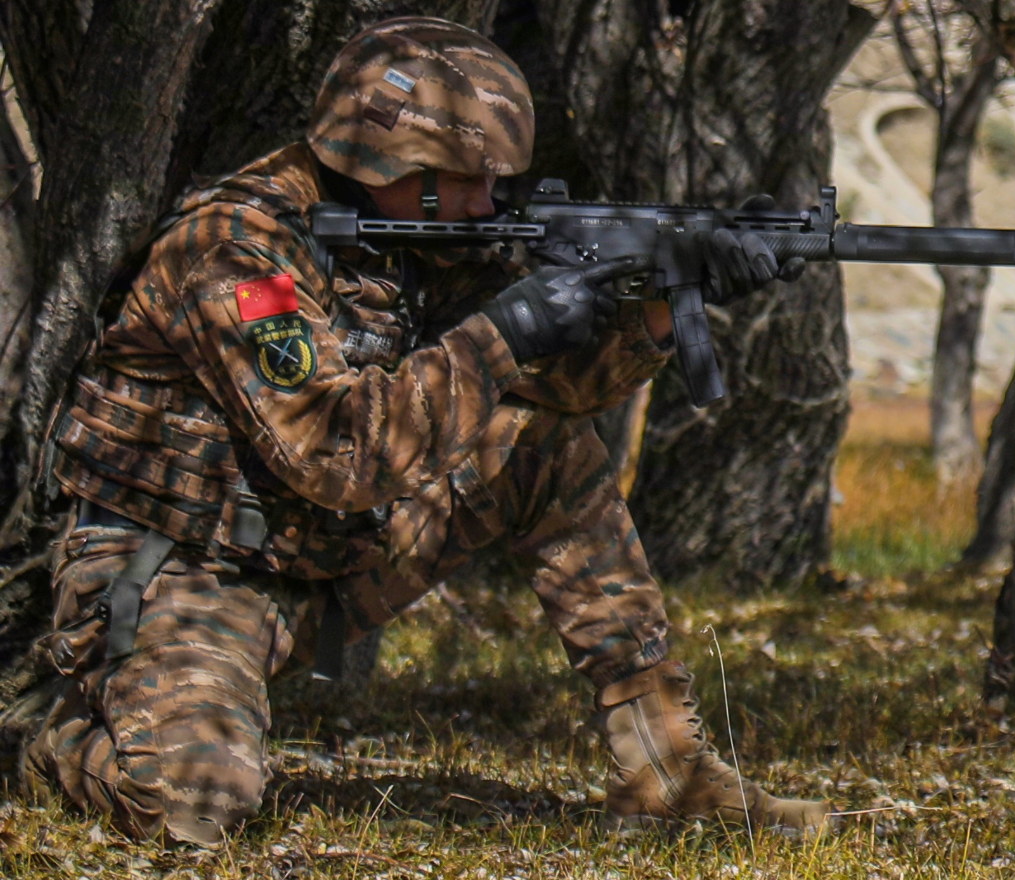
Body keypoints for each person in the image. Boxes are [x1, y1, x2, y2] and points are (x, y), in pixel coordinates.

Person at [22, 16, 828, 846]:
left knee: (540, 445)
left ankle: (669, 769)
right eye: (466, 180)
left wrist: (660, 306)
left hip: (314, 559)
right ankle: (41, 741)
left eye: (493, 182)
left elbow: (553, 395)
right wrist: (504, 332)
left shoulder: (414, 237)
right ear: (387, 161)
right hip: (182, 576)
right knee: (190, 809)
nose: (486, 203)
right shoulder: (234, 252)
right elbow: (336, 453)